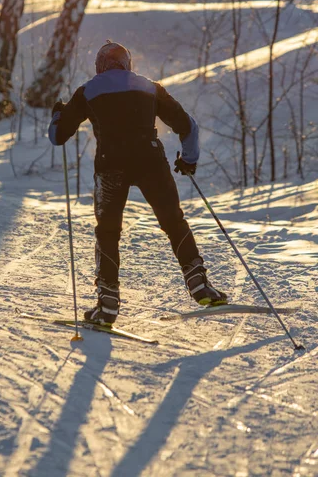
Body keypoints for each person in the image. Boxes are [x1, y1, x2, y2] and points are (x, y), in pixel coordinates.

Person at [49, 40, 227, 325]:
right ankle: (198, 283)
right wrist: (189, 159)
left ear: (100, 66)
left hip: (111, 163)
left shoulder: (88, 90)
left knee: (108, 231)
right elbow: (187, 125)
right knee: (173, 221)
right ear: (127, 64)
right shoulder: (149, 86)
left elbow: (58, 136)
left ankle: (107, 302)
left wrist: (58, 114)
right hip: (150, 160)